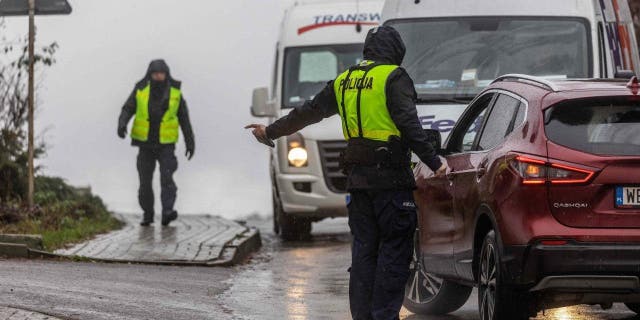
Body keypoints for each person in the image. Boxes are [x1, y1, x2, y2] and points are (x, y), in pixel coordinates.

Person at [246, 26, 446, 320]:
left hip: (357, 182)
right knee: (394, 250)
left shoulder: (345, 80)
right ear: (395, 51)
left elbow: (308, 112)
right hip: (391, 182)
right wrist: (435, 161)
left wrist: (270, 131)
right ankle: (384, 316)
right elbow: (408, 123)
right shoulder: (393, 77)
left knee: (364, 253)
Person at [118, 59, 195, 227]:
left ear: (166, 74)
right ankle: (148, 213)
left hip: (166, 145)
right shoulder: (140, 90)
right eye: (155, 73)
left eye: (161, 73)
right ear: (150, 74)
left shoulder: (175, 93)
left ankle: (167, 211)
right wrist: (122, 124)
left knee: (167, 179)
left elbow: (184, 119)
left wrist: (190, 142)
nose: (158, 76)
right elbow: (128, 108)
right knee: (145, 182)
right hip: (144, 145)